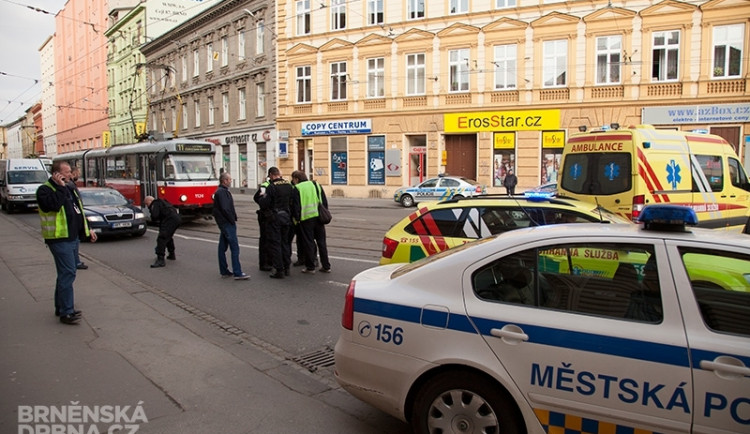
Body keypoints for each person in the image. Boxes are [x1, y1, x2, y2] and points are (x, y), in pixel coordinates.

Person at [36, 161, 98, 325]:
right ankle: (66, 312)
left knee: (64, 274)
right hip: (58, 239)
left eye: (70, 172)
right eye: (67, 172)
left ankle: (61, 307)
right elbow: (54, 206)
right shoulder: (45, 190)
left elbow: (78, 211)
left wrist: (87, 229)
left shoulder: (70, 188)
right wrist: (61, 187)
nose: (71, 174)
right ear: (56, 174)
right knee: (68, 273)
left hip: (72, 238)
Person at [290, 171, 331, 274]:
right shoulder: (316, 184)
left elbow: (296, 206)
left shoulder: (298, 188)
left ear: (296, 179)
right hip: (319, 218)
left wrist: (296, 219)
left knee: (309, 243)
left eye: (293, 179)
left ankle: (310, 267)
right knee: (322, 243)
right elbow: (324, 202)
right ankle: (326, 266)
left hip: (306, 219)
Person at [258, 167, 294, 278]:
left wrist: (261, 198)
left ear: (271, 175)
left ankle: (279, 269)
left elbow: (265, 203)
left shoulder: (271, 187)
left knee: (276, 243)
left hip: (275, 218)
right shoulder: (289, 185)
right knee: (285, 243)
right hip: (286, 217)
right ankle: (287, 267)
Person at [213, 173, 249, 280]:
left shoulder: (221, 191)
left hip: (224, 223)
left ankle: (224, 270)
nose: (230, 181)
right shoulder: (222, 192)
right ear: (224, 181)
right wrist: (232, 220)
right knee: (234, 247)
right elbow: (225, 208)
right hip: (227, 223)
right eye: (229, 179)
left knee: (222, 247)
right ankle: (237, 272)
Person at [143, 195, 181, 268]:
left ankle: (160, 260)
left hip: (169, 220)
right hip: (176, 218)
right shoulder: (163, 202)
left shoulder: (155, 203)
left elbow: (155, 216)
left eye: (147, 204)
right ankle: (171, 254)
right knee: (168, 237)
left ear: (150, 201)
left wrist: (152, 216)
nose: (147, 206)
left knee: (162, 238)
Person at [67, 167, 88, 270]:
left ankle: (76, 261)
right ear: (73, 173)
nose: (78, 175)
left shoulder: (70, 185)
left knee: (75, 243)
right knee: (74, 244)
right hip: (71, 224)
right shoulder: (69, 186)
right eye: (78, 173)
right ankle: (76, 262)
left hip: (74, 221)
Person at [253, 175, 272, 271]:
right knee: (265, 239)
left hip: (269, 215)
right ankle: (264, 263)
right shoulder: (265, 186)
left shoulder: (272, 185)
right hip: (264, 215)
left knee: (270, 239)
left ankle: (269, 261)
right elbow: (257, 198)